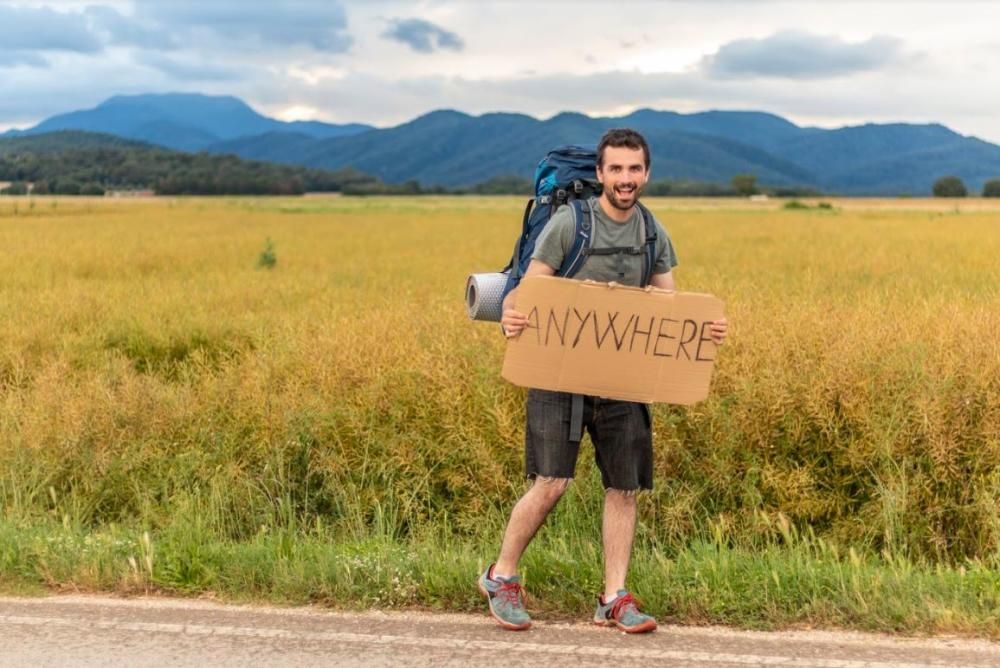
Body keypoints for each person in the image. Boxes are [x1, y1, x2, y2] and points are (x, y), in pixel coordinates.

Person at [478, 128, 729, 633]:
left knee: (625, 487)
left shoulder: (653, 232)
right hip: (558, 374)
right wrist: (512, 316)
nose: (626, 179)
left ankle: (613, 598)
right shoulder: (570, 225)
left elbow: (667, 307)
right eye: (616, 169)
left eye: (634, 169)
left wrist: (702, 330)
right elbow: (529, 292)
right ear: (599, 174)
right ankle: (501, 577)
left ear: (646, 173)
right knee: (551, 482)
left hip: (622, 377)